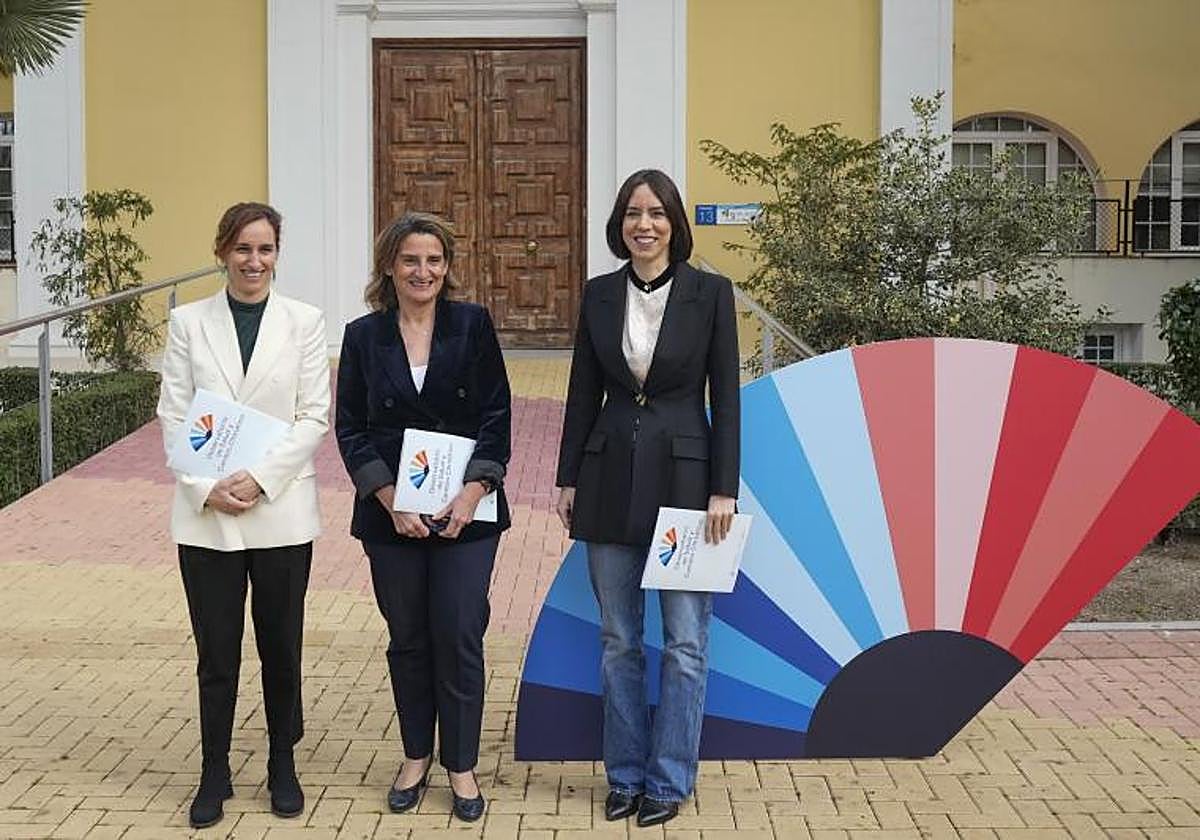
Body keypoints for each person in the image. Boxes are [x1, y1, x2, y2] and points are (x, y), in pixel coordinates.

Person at [555, 169, 740, 828]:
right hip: (607, 480)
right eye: (633, 212)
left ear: (673, 223)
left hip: (688, 486)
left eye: (656, 212)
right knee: (618, 641)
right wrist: (567, 476)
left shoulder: (711, 294)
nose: (644, 224)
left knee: (686, 643)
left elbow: (727, 393)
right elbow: (582, 389)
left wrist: (724, 488)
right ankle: (627, 776)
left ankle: (669, 779)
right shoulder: (599, 294)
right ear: (620, 223)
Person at [157, 202, 330, 829]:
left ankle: (282, 762)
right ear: (222, 251)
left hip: (279, 509)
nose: (253, 261)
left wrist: (259, 478)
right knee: (217, 653)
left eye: (264, 249)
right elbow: (174, 413)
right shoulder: (188, 323)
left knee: (281, 646)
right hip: (206, 514)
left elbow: (314, 413)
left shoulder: (304, 321)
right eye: (242, 249)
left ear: (277, 253)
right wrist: (207, 486)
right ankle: (214, 769)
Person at [335, 211, 511, 823]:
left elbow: (496, 415)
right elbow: (351, 429)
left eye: (434, 260)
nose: (423, 271)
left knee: (459, 635)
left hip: (468, 512)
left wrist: (470, 493)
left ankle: (459, 764)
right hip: (393, 518)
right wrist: (389, 498)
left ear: (447, 267)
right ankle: (415, 757)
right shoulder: (363, 337)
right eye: (411, 260)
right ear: (390, 265)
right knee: (408, 638)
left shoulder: (472, 325)